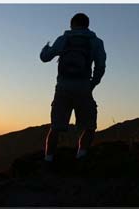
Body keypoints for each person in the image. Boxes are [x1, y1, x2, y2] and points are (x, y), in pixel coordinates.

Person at [40, 13, 106, 163]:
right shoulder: (96, 42)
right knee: (89, 126)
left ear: (72, 24)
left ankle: (48, 160)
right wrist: (92, 84)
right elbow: (100, 66)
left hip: (63, 87)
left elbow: (45, 58)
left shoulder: (63, 39)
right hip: (83, 87)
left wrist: (46, 47)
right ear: (87, 25)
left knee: (56, 126)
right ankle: (81, 157)